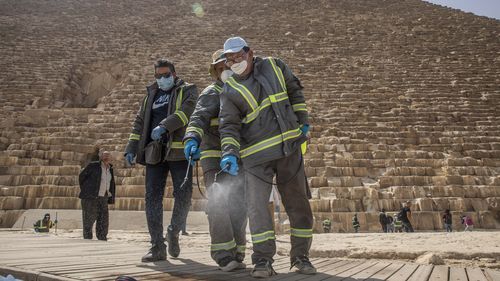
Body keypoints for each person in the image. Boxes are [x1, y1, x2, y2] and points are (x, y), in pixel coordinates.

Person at [218, 36, 315, 278]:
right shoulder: (230, 90)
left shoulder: (275, 65)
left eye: (238, 56)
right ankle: (262, 261)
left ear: (250, 53)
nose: (234, 62)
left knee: (299, 204)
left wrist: (303, 121)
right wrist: (229, 153)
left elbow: (294, 90)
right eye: (229, 59)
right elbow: (228, 125)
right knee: (257, 209)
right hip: (255, 158)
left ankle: (301, 258)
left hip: (289, 149)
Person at [124, 59, 198, 262]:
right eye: (158, 76)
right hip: (154, 152)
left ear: (174, 74)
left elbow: (186, 113)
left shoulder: (188, 90)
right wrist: (131, 146)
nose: (162, 79)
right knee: (152, 198)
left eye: (166, 75)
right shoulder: (150, 95)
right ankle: (157, 246)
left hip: (179, 151)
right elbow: (140, 121)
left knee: (184, 195)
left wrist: (165, 126)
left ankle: (174, 231)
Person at [183, 49, 247, 272]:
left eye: (227, 67)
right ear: (215, 72)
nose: (224, 71)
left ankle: (237, 252)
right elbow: (198, 116)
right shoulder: (212, 91)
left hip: (238, 156)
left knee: (239, 205)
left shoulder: (242, 90)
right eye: (219, 69)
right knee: (219, 202)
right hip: (214, 156)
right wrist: (191, 137)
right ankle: (223, 254)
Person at [78, 151, 116, 241]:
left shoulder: (110, 169)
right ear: (101, 157)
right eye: (105, 156)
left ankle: (102, 238)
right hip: (91, 197)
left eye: (108, 156)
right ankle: (87, 239)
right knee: (89, 220)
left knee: (103, 220)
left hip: (104, 197)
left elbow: (111, 183)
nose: (106, 157)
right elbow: (82, 177)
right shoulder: (93, 166)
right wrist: (87, 190)